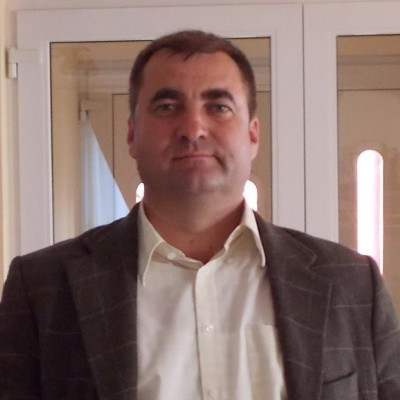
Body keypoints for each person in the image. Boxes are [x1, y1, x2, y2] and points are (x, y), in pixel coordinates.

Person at [0, 30, 399, 400]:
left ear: (253, 134)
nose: (193, 128)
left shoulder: (352, 284)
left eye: (219, 106)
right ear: (132, 134)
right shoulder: (42, 288)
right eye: (167, 106)